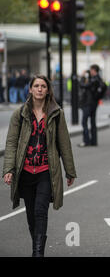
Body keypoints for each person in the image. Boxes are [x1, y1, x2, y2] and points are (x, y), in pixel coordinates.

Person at [2, 75, 77, 257]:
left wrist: (69, 171)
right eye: (36, 86)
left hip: (46, 170)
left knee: (40, 210)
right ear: (30, 89)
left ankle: (38, 253)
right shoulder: (19, 114)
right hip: (25, 171)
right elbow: (11, 143)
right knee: (30, 216)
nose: (40, 89)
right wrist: (9, 169)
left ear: (48, 90)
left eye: (43, 86)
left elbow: (64, 143)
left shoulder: (56, 114)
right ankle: (37, 244)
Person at [78, 64, 104, 147]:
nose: (90, 72)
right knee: (93, 121)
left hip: (88, 103)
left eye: (91, 70)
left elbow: (83, 85)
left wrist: (82, 77)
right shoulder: (99, 79)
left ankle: (86, 141)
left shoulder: (94, 80)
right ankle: (94, 141)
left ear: (94, 70)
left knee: (84, 121)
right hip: (95, 103)